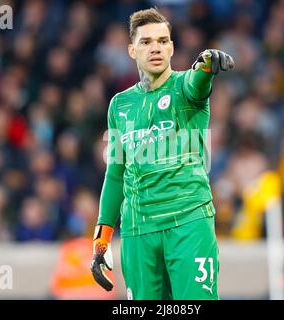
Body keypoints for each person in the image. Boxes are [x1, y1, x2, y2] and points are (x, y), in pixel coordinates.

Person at [90, 7, 234, 300]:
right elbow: (115, 174)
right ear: (132, 50)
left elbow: (198, 82)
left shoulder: (184, 87)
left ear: (171, 47)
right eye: (145, 42)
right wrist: (101, 241)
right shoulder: (120, 105)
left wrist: (206, 65)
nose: (155, 47)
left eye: (162, 40)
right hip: (137, 231)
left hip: (188, 222)